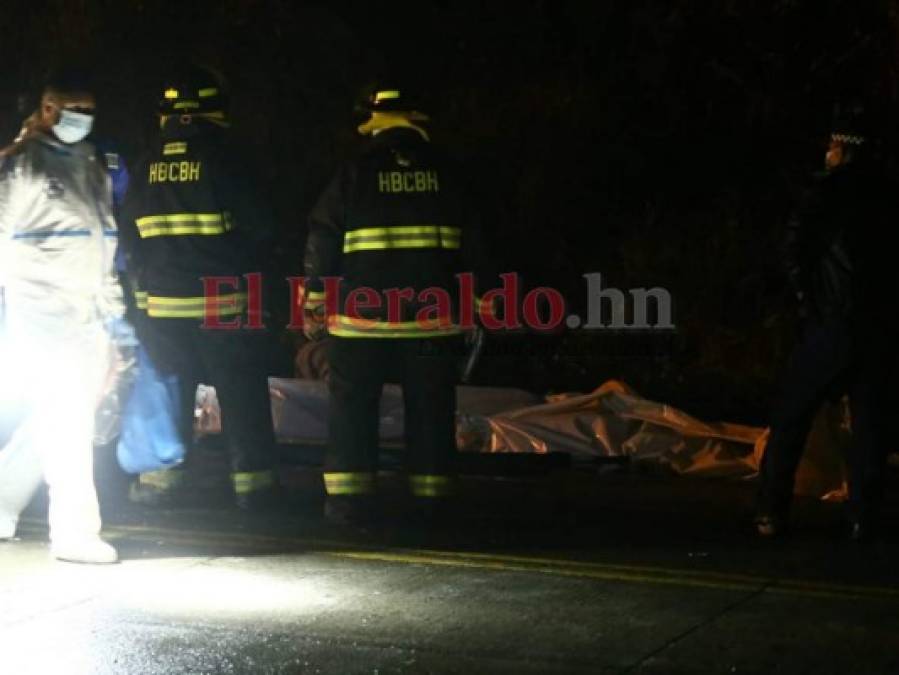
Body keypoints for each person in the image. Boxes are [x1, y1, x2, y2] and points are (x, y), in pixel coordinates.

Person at [302, 84, 493, 525]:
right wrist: (483, 299)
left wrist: (314, 297)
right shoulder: (447, 173)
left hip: (359, 319)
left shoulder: (353, 173)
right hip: (431, 318)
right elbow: (477, 242)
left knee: (352, 409)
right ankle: (433, 499)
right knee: (430, 408)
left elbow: (322, 236)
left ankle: (348, 503)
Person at [121, 64, 278, 510]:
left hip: (161, 307)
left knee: (168, 392)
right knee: (241, 393)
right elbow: (262, 227)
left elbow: (128, 234)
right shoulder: (228, 158)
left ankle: (159, 483)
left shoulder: (146, 162)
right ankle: (255, 489)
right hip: (224, 302)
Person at [756, 100, 895, 540]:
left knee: (792, 416)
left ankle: (770, 511)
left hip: (833, 326)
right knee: (870, 425)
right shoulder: (888, 195)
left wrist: (809, 304)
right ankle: (862, 516)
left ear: (841, 147)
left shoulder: (828, 192)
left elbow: (793, 251)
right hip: (877, 327)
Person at [0, 70, 124, 563]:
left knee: (61, 416)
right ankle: (75, 534)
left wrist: (113, 316)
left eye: (90, 110)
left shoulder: (91, 163)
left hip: (85, 314)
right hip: (40, 311)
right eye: (75, 109)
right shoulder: (21, 165)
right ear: (48, 109)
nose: (83, 119)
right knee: (69, 418)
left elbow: (104, 241)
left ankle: (3, 499)